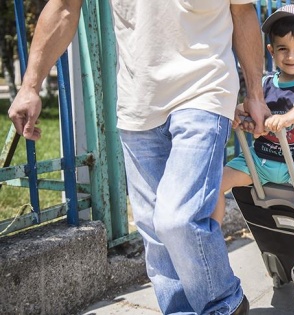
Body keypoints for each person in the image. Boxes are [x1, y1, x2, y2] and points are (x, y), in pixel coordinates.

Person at [7, 1, 270, 314]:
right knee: (155, 231)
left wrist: (255, 93)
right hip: (138, 101)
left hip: (205, 89)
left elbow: (242, 11)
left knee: (177, 218)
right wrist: (30, 85)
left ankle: (224, 304)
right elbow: (65, 7)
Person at [212, 5, 294, 309]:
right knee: (213, 185)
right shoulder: (263, 85)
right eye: (283, 49)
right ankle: (212, 252)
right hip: (261, 161)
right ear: (271, 50)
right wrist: (242, 116)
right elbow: (247, 110)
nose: (291, 56)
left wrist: (288, 117)